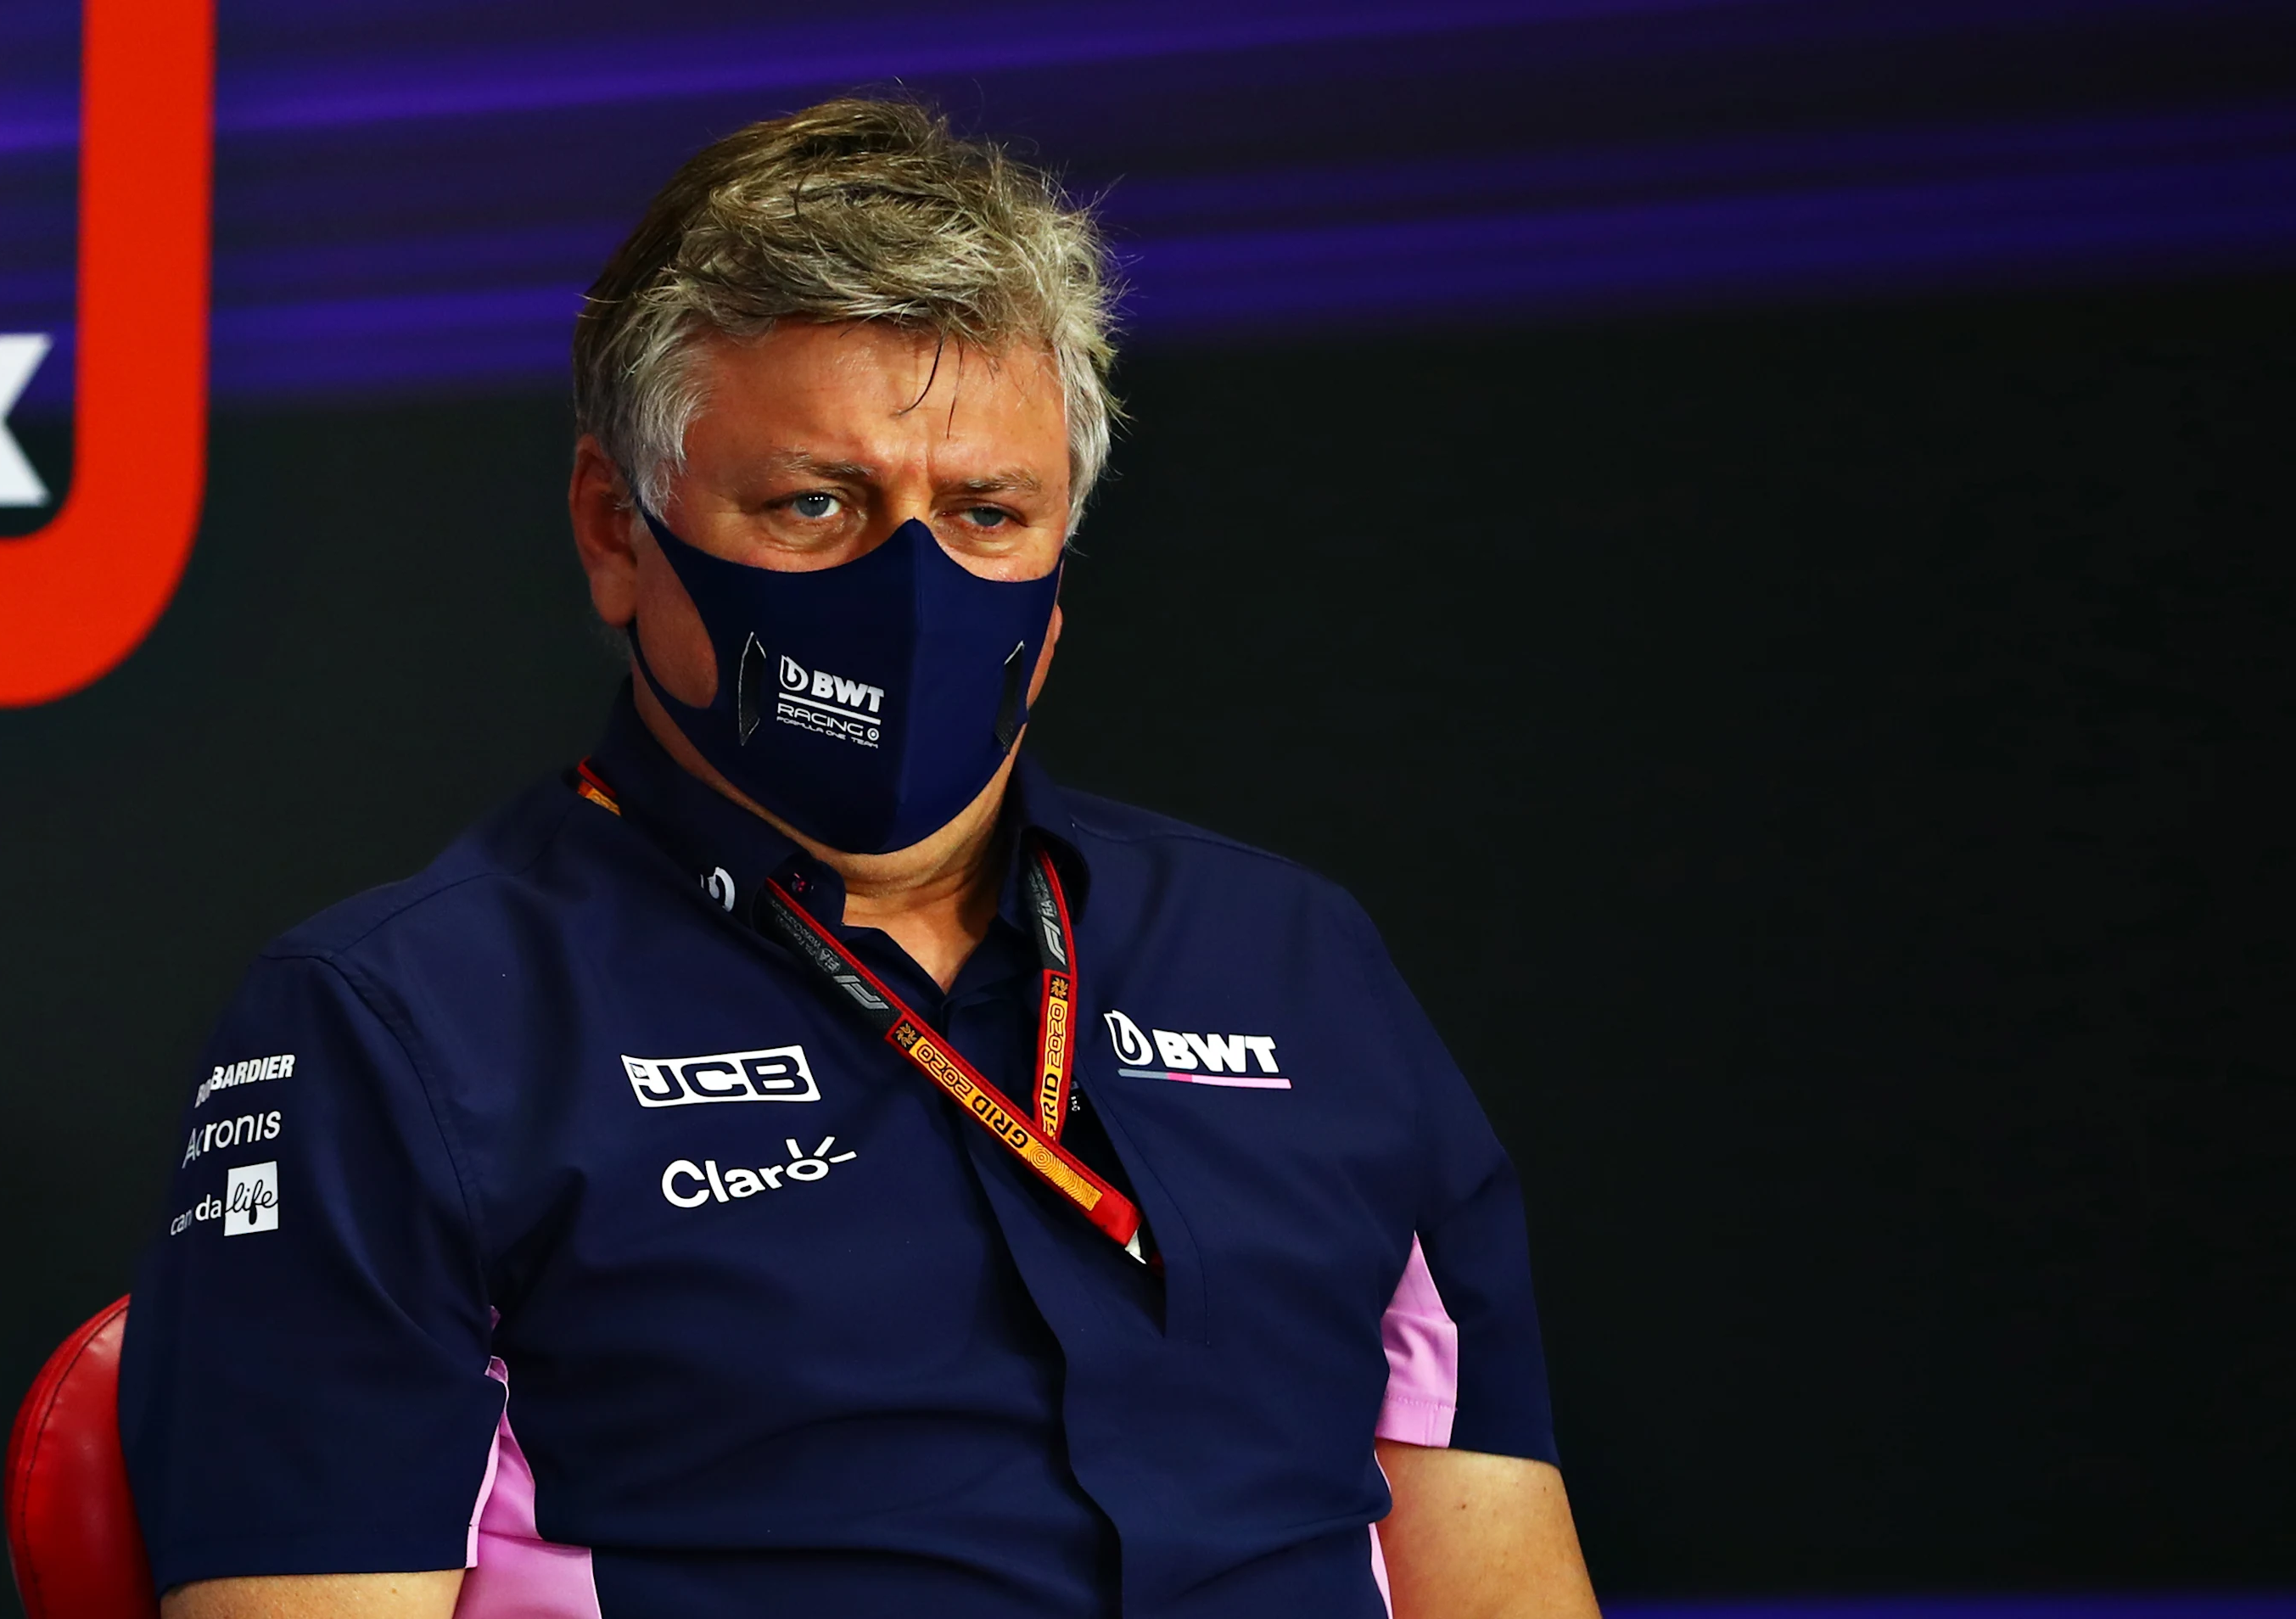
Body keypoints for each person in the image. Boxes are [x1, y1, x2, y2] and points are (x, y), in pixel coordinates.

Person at [120, 97, 1597, 1619]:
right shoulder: (398, 1027)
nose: (911, 586)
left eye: (987, 513)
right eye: (814, 505)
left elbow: (1493, 1565)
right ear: (615, 532)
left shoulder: (1296, 958)